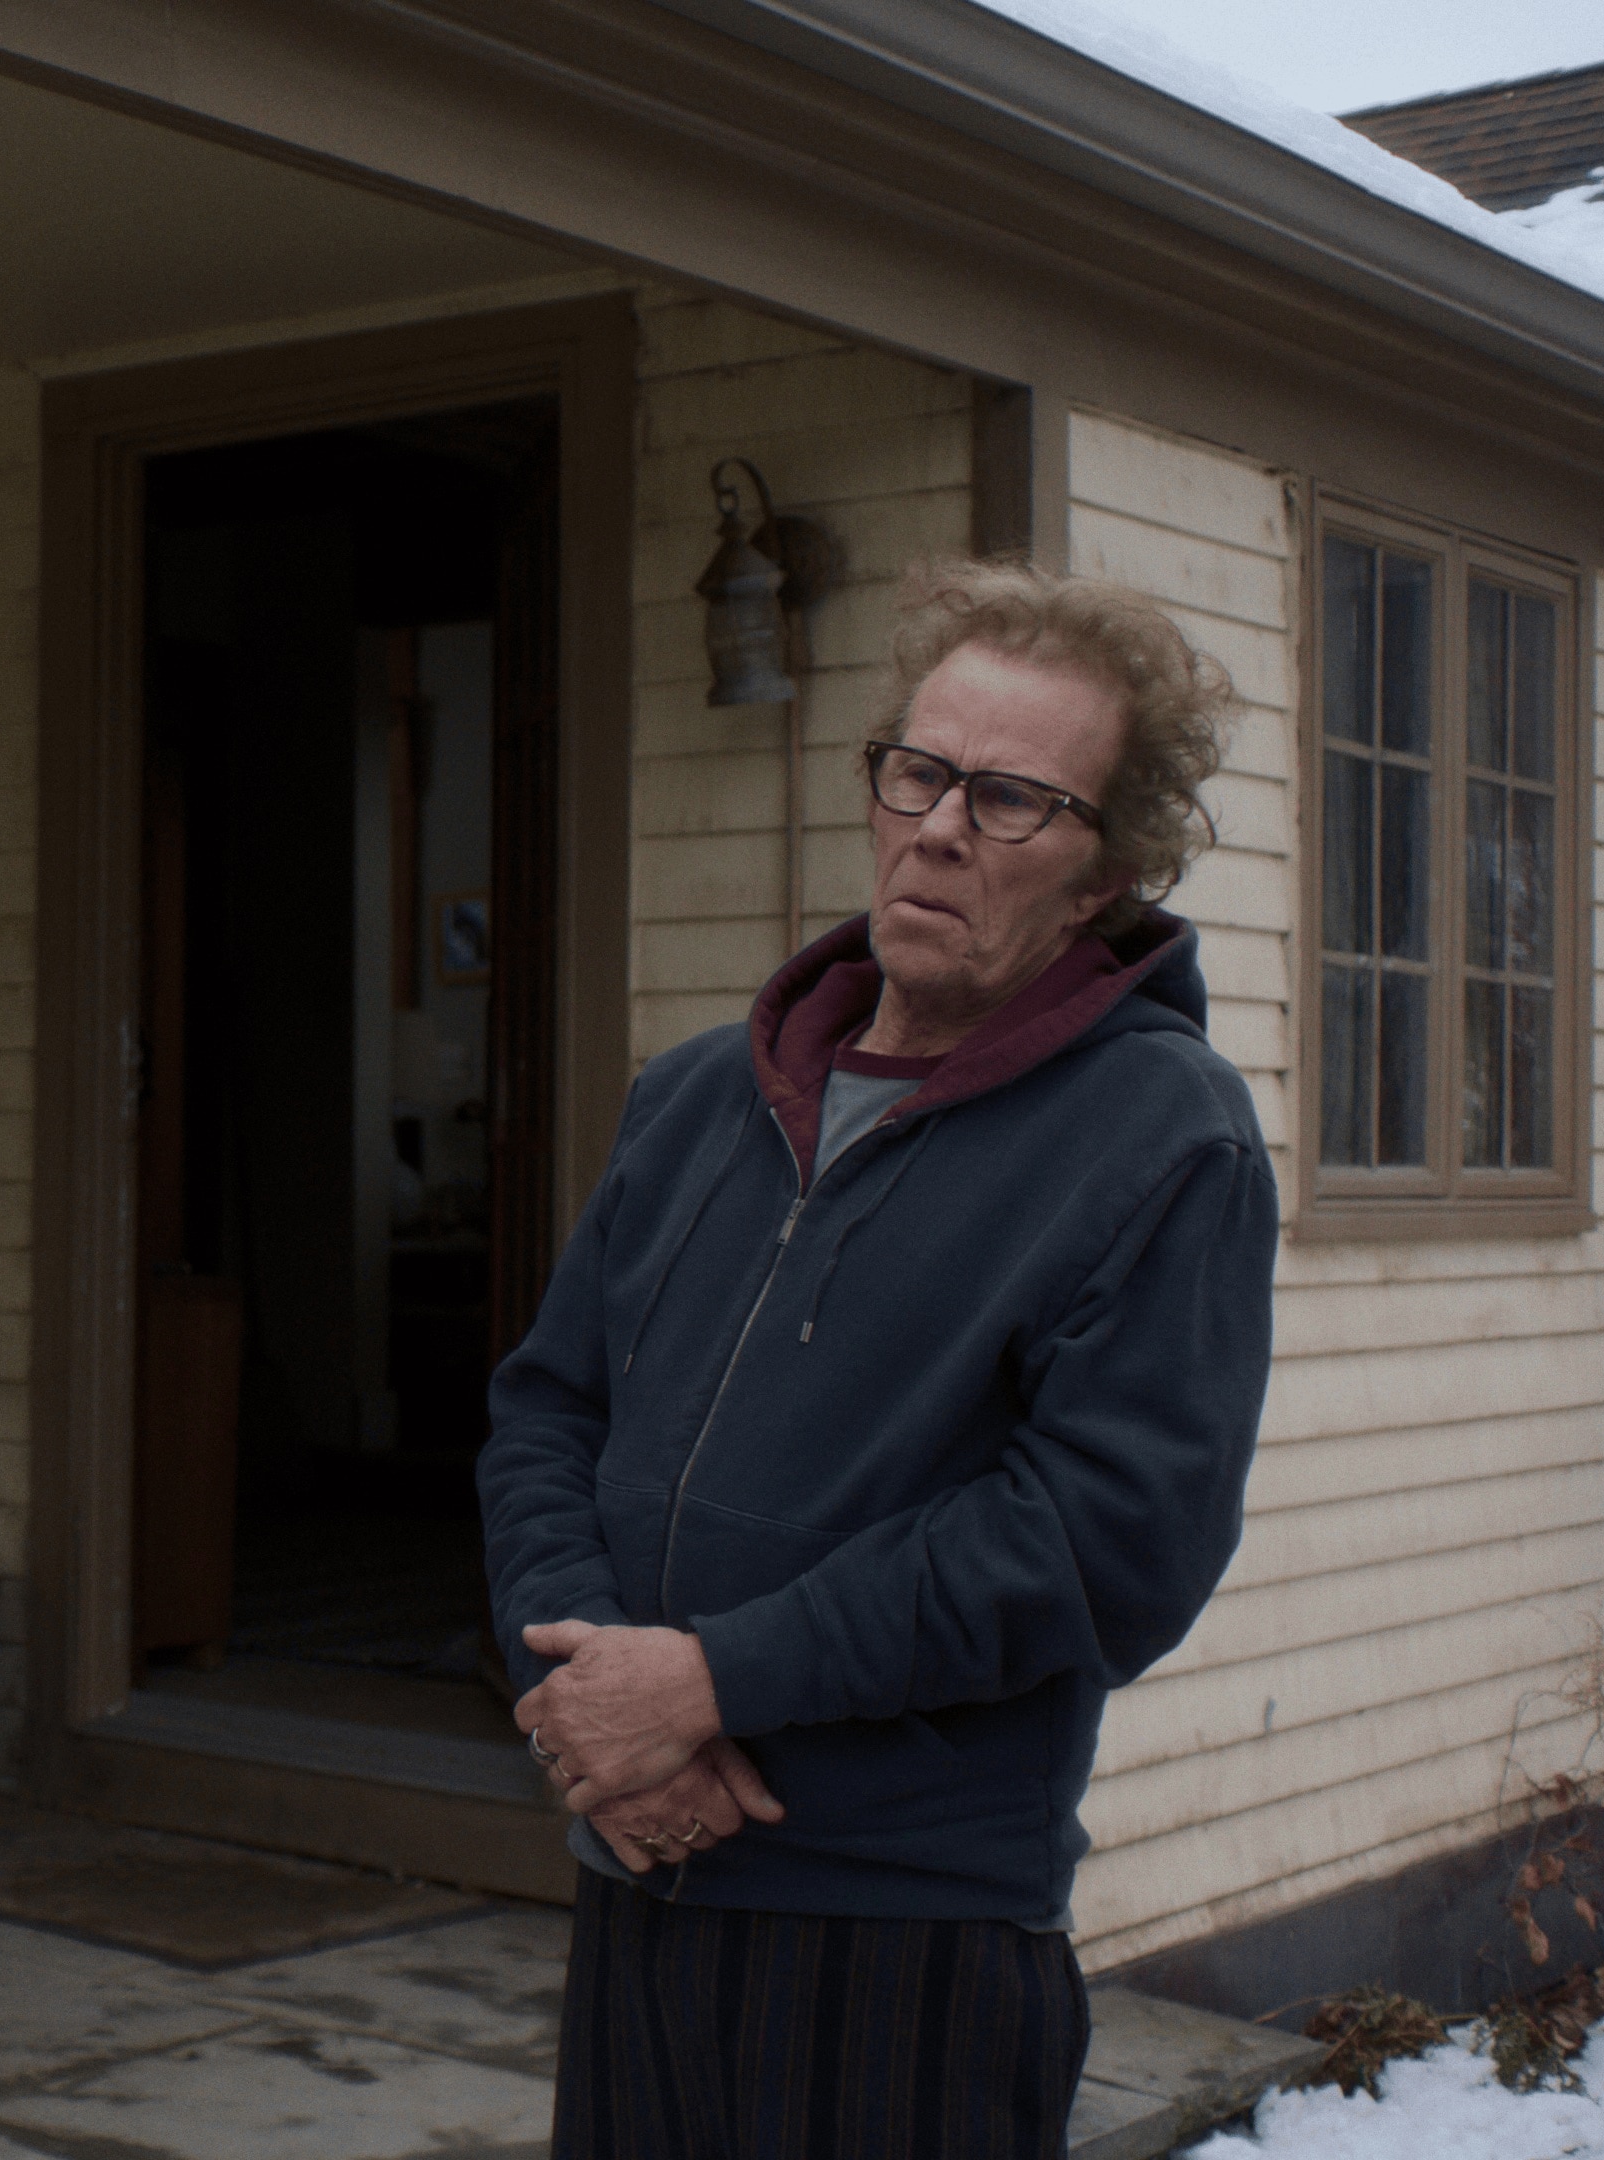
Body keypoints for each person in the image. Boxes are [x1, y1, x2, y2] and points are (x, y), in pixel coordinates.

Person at [480, 559, 1276, 2158]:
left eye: (1010, 799)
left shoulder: (1161, 1136)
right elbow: (548, 1411)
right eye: (918, 770)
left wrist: (716, 1680)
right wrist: (590, 1698)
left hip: (903, 1934)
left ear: (1107, 869)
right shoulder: (699, 1095)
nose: (936, 827)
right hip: (638, 1872)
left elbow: (1109, 1540)